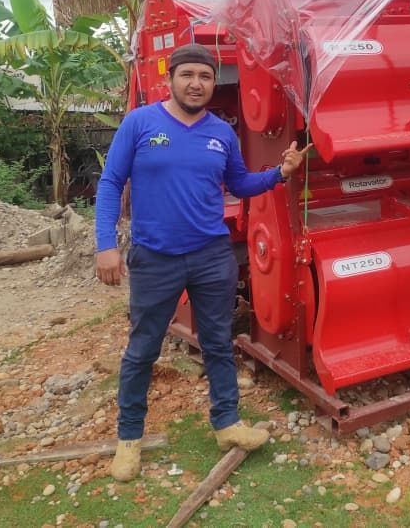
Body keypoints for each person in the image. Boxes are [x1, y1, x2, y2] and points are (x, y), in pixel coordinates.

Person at [94, 43, 310, 482]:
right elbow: (110, 182)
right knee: (142, 350)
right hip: (156, 259)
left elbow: (240, 183)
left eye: (205, 77)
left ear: (214, 82)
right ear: (171, 78)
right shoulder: (140, 124)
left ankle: (227, 424)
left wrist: (280, 174)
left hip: (212, 256)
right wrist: (105, 244)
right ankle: (129, 440)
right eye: (188, 74)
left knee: (216, 343)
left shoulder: (221, 133)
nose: (196, 83)